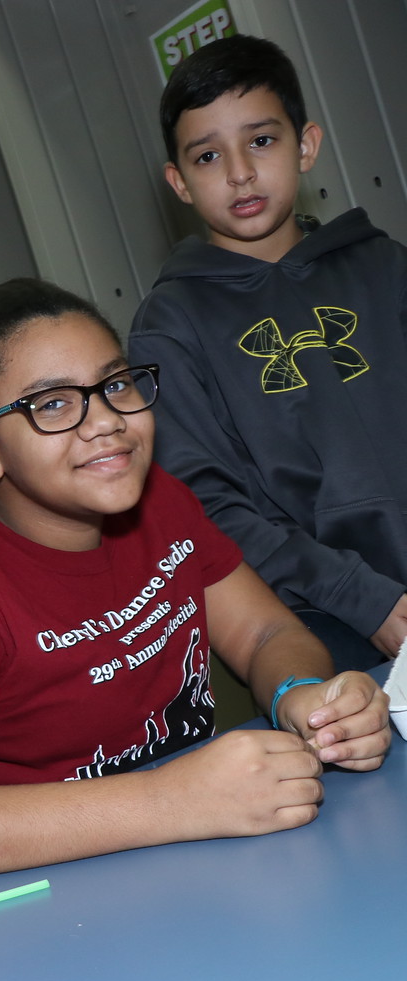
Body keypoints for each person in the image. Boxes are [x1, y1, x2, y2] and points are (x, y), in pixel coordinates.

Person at [0, 278, 390, 882]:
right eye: (51, 404)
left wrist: (303, 697)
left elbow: (262, 633)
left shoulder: (161, 504)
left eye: (116, 384)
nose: (104, 420)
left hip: (202, 857)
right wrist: (167, 802)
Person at [128, 33, 407, 674]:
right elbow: (206, 507)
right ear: (179, 182)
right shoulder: (168, 328)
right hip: (317, 621)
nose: (239, 173)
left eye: (261, 140)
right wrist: (361, 599)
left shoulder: (383, 266)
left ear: (305, 145)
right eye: (206, 156)